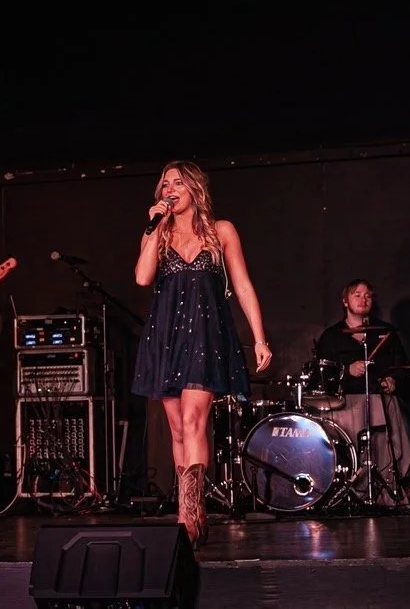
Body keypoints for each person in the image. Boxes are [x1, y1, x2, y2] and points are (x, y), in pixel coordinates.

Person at [131, 160, 271, 547]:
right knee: (176, 427)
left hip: (206, 336)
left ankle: (194, 514)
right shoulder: (157, 233)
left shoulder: (220, 230)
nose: (170, 189)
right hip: (165, 337)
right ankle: (184, 513)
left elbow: (242, 285)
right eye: (164, 184)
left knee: (194, 419)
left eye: (177, 182)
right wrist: (153, 226)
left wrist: (259, 337)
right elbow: (142, 277)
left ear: (194, 188)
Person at [312, 278, 410, 507]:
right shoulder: (331, 336)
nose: (363, 299)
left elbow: (403, 369)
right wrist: (347, 370)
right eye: (357, 295)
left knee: (385, 447)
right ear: (345, 301)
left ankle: (385, 494)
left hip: (380, 402)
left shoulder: (385, 332)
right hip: (346, 405)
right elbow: (320, 376)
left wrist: (393, 380)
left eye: (367, 295)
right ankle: (348, 495)